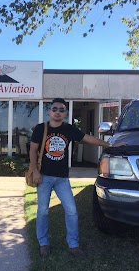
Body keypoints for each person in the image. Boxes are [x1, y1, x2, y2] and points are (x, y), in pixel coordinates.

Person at [29, 98, 125, 257]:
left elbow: (88, 138)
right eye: (55, 109)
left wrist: (110, 146)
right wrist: (35, 171)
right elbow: (33, 150)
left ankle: (73, 245)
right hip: (44, 177)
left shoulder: (68, 129)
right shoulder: (41, 128)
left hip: (62, 179)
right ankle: (43, 243)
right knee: (42, 211)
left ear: (65, 113)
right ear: (49, 112)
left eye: (61, 110)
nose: (58, 112)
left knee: (72, 211)